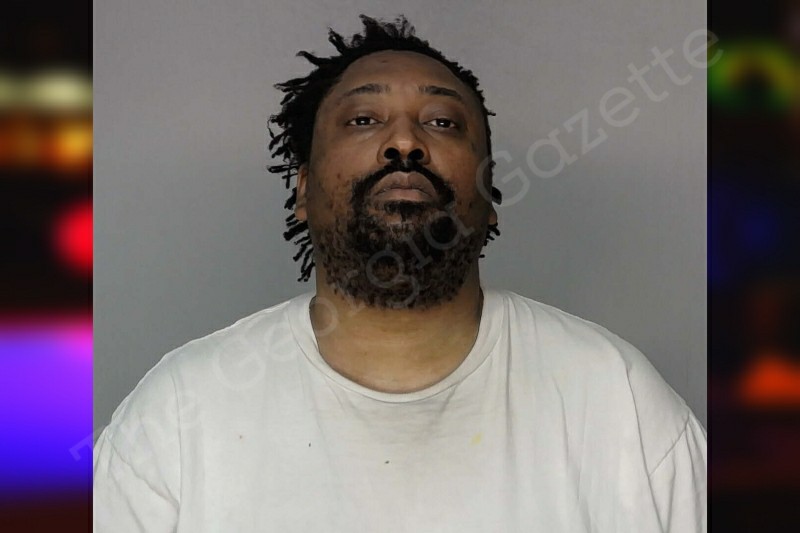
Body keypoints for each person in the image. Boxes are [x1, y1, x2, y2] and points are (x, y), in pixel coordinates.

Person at [93, 15, 706, 532]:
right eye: (363, 120)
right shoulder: (179, 414)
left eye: (442, 122)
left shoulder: (618, 399)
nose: (405, 142)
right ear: (301, 190)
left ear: (490, 194)